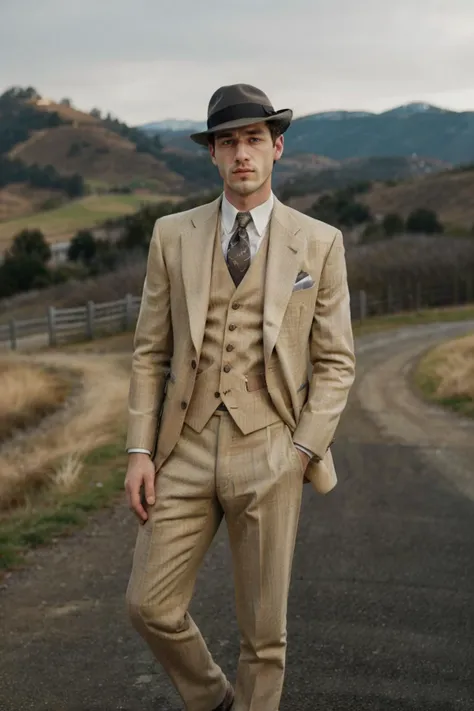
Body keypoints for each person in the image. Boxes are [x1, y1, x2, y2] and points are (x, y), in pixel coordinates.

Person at [124, 83, 356, 711]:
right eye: (228, 142)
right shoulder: (173, 234)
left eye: (254, 139)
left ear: (277, 148)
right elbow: (150, 351)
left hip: (273, 447)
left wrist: (303, 449)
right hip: (185, 446)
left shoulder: (319, 241)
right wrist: (139, 450)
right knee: (149, 604)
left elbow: (337, 362)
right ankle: (214, 700)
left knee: (264, 634)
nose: (241, 153)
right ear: (213, 155)